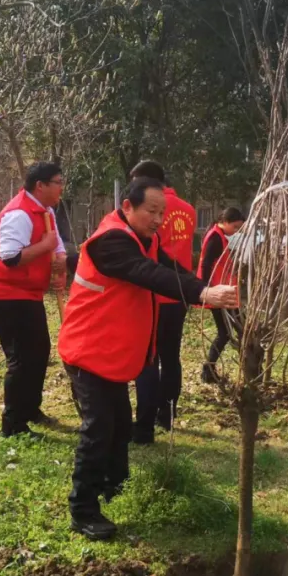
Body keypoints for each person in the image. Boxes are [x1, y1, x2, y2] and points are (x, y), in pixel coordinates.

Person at [58, 178, 238, 539]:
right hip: (88, 351)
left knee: (121, 424)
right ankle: (83, 509)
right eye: (151, 211)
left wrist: (205, 288)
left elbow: (169, 268)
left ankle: (116, 485)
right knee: (98, 430)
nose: (159, 220)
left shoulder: (146, 239)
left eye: (162, 213)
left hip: (112, 352)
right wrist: (202, 292)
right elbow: (148, 274)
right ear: (127, 207)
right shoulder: (111, 242)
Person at [0, 161, 66, 439]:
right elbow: (10, 257)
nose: (61, 188)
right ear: (40, 186)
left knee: (40, 351)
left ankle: (30, 408)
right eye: (57, 182)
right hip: (6, 295)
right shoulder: (19, 213)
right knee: (21, 358)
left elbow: (58, 247)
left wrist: (59, 264)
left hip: (29, 293)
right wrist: (44, 247)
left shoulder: (46, 212)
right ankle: (13, 424)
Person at [128, 160, 197, 440]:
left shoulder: (146, 209)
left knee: (148, 359)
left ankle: (144, 424)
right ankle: (167, 415)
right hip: (179, 293)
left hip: (153, 293)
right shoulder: (190, 210)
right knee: (171, 358)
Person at [198, 207, 246, 383]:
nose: (236, 231)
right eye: (234, 227)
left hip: (224, 292)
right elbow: (206, 265)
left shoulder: (219, 235)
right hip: (218, 294)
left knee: (238, 329)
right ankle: (208, 370)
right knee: (234, 330)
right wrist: (205, 290)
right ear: (224, 222)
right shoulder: (215, 239)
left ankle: (210, 370)